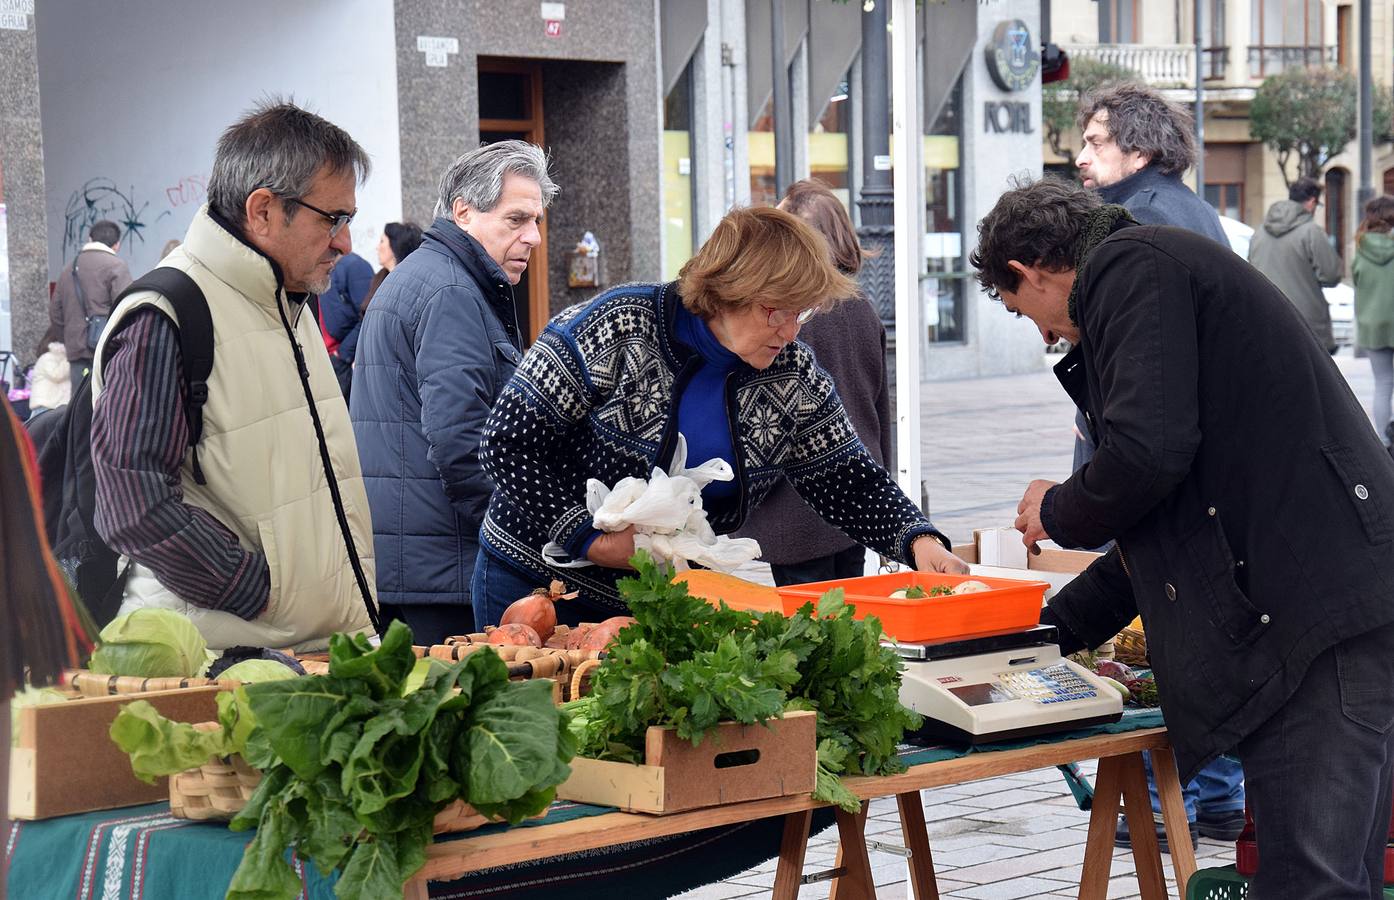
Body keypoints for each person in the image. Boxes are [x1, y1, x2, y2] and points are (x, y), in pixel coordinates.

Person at [975, 176, 1394, 899]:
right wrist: (1045, 632)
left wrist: (1058, 508)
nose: (1045, 336)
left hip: (1317, 620)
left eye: (1025, 313)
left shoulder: (1132, 268)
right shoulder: (1150, 271)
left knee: (1311, 884)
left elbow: (1146, 456)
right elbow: (1160, 530)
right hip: (1322, 609)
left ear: (1027, 270)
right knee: (1330, 880)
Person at [472, 205, 969, 625]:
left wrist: (919, 540)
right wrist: (587, 535)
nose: (791, 332)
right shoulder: (617, 326)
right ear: (729, 290)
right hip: (535, 581)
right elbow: (507, 442)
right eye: (778, 311)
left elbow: (847, 476)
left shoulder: (791, 372)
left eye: (803, 313)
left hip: (659, 597)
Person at [89, 99, 378, 650]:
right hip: (216, 665)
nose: (344, 241)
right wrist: (255, 589)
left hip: (304, 652)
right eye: (332, 219)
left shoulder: (289, 302)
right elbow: (132, 499)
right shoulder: (168, 312)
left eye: (350, 220)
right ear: (263, 210)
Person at [1075, 83, 1245, 849]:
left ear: (1138, 151)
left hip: (1163, 468)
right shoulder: (1196, 209)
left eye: (1096, 141)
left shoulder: (1137, 223)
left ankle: (1153, 793)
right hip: (1206, 461)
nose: (1080, 157)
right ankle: (1214, 793)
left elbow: (1141, 383)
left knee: (1164, 623)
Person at [351, 142, 553, 644]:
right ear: (464, 212)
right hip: (443, 572)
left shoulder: (431, 277)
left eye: (536, 221)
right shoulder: (451, 292)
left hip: (418, 564)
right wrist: (525, 536)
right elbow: (464, 443)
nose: (533, 237)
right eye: (516, 220)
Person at [734, 180, 890, 586]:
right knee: (848, 618)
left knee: (807, 628)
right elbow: (878, 408)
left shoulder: (788, 316)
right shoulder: (863, 309)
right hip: (858, 489)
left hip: (798, 504)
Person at [1248, 177, 1346, 353]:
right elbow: (1331, 274)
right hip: (1306, 321)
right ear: (1311, 202)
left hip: (1266, 317)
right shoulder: (1311, 231)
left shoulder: (1259, 232)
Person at [50, 219, 133, 387]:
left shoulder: (68, 269)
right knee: (108, 401)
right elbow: (127, 308)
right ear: (117, 245)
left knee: (80, 404)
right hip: (109, 351)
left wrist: (69, 339)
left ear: (89, 239)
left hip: (77, 352)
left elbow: (55, 311)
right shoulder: (117, 266)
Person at [1352, 195, 1394, 447]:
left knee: (1383, 382)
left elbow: (1357, 283)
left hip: (1372, 325)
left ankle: (1383, 441)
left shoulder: (1360, 248)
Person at [319, 250, 374, 397]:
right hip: (324, 359)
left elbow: (368, 316)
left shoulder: (355, 266)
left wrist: (343, 354)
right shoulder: (317, 268)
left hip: (341, 360)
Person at [361, 222, 424, 313]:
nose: (377, 248)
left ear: (395, 246)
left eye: (382, 241)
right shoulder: (379, 278)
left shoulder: (410, 284)